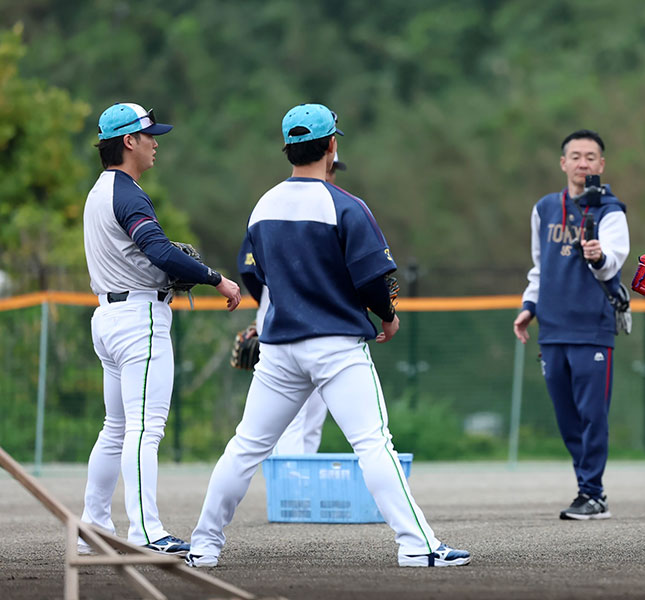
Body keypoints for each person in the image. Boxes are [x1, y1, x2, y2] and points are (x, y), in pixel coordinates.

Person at [186, 103, 470, 568]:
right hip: (336, 345)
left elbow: (251, 274)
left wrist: (276, 308)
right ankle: (417, 545)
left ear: (288, 150)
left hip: (279, 348)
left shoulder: (264, 206)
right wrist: (388, 316)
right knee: (373, 444)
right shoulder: (345, 205)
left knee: (245, 447)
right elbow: (374, 277)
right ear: (332, 145)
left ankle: (203, 545)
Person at [80, 102, 242, 556]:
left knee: (116, 428)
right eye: (150, 136)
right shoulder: (128, 192)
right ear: (128, 141)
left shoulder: (99, 192)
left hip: (109, 318)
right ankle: (145, 531)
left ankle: (92, 525)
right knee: (145, 429)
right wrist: (216, 278)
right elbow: (159, 252)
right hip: (138, 319)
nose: (156, 143)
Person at [513, 129, 630, 520]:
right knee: (566, 418)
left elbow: (613, 259)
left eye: (591, 157)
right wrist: (529, 305)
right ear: (563, 163)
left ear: (601, 164)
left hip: (592, 327)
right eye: (576, 156)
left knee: (592, 415)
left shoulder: (610, 209)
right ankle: (588, 489)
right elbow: (539, 265)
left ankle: (592, 494)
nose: (583, 163)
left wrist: (598, 257)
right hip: (553, 327)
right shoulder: (545, 208)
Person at [236, 154, 348, 454]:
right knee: (291, 421)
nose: (331, 173)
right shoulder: (277, 204)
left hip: (326, 327)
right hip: (285, 325)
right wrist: (267, 311)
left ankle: (303, 493)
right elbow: (249, 267)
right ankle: (289, 495)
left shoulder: (341, 207)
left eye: (335, 169)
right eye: (330, 166)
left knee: (313, 421)